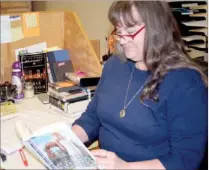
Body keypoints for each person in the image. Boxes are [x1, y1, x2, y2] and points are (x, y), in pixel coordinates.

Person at [72, 1, 208, 169]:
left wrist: (126, 167)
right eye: (119, 31)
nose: (122, 41)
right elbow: (93, 117)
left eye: (130, 32)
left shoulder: (185, 81)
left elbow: (185, 159)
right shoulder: (114, 64)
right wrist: (64, 140)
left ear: (156, 28)